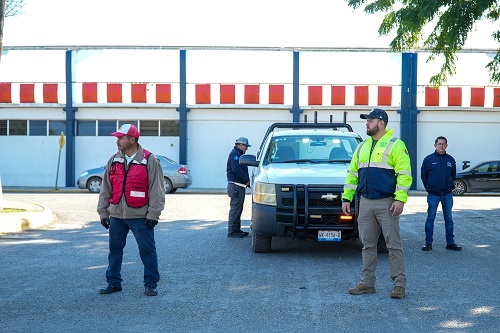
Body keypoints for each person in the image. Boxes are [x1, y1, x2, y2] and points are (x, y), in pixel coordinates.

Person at [342, 108, 412, 299]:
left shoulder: (396, 145)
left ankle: (399, 285)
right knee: (367, 245)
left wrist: (400, 199)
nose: (367, 123)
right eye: (367, 120)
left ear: (381, 123)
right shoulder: (362, 146)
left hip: (387, 203)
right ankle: (367, 283)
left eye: (370, 120)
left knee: (394, 245)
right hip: (365, 202)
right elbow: (352, 174)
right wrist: (347, 198)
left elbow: (404, 174)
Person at [97, 124, 165, 296]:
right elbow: (106, 188)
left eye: (121, 137)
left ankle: (150, 283)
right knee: (114, 249)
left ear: (132, 139)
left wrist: (153, 214)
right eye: (117, 138)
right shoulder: (114, 160)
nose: (117, 141)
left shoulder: (149, 160)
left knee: (147, 250)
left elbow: (157, 189)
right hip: (117, 216)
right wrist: (103, 212)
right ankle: (113, 282)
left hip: (140, 215)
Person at [420, 136, 462, 252]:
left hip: (447, 194)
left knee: (448, 218)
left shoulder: (450, 160)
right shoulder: (428, 159)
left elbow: (452, 175)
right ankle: (428, 243)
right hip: (433, 194)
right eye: (439, 144)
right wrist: (429, 188)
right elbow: (424, 176)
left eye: (444, 144)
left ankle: (450, 243)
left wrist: (448, 186)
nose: (441, 146)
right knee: (430, 218)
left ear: (446, 146)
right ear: (435, 145)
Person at [226, 137, 251, 238]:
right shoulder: (235, 155)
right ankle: (232, 231)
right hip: (235, 186)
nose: (246, 149)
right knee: (235, 209)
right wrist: (247, 180)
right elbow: (236, 169)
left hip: (238, 186)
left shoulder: (238, 154)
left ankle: (237, 229)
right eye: (246, 147)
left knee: (238, 208)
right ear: (241, 145)